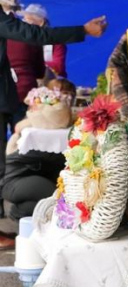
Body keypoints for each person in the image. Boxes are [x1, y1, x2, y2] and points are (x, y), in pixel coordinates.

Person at [0, 0, 106, 226]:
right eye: (11, 10)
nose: (14, 15)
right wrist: (84, 30)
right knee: (15, 151)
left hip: (12, 94)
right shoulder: (10, 25)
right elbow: (39, 42)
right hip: (17, 95)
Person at [2, 80, 76, 221]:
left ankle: (23, 211)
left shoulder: (56, 125)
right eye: (61, 94)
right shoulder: (37, 125)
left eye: (69, 95)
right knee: (57, 197)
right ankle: (19, 213)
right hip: (15, 179)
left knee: (54, 198)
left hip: (29, 176)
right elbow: (19, 127)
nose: (66, 98)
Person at [21, 4, 68, 79]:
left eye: (28, 21)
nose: (24, 24)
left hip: (51, 81)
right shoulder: (20, 40)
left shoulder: (55, 41)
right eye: (23, 20)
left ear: (41, 22)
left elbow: (58, 66)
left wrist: (30, 63)